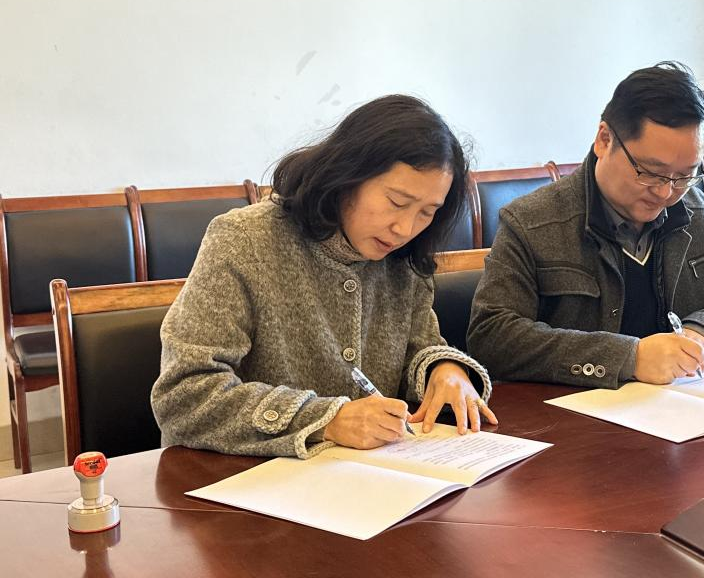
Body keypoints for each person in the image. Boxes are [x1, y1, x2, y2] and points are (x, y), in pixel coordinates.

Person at [152, 95, 496, 458]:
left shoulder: (404, 258)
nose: (405, 228)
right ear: (348, 175)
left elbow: (419, 349)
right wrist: (326, 419)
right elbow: (183, 397)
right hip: (242, 479)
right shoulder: (244, 239)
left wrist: (443, 369)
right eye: (396, 202)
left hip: (370, 478)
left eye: (427, 212)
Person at [467, 62, 704, 387]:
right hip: (572, 413)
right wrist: (627, 357)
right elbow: (492, 336)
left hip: (677, 407)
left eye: (685, 175)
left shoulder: (696, 212)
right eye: (650, 172)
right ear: (604, 140)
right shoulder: (532, 222)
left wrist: (702, 333)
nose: (665, 192)